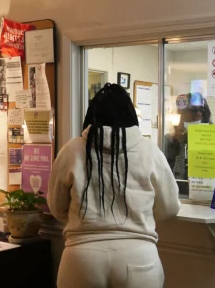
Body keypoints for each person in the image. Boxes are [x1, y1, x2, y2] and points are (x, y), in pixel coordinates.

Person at [48, 83, 180, 288]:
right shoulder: (149, 151)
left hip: (82, 259)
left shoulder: (72, 150)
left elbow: (57, 207)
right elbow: (169, 208)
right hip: (139, 258)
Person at [164, 92, 213, 180]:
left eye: (198, 114)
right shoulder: (168, 140)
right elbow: (177, 178)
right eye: (183, 115)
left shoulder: (211, 140)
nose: (197, 115)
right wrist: (181, 143)